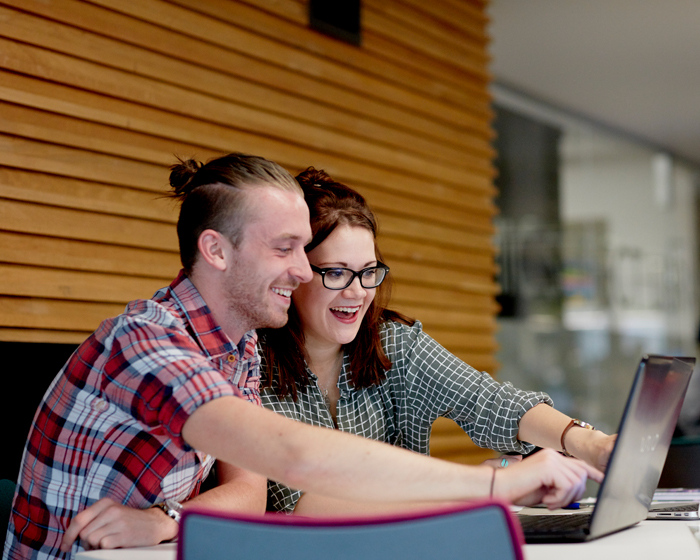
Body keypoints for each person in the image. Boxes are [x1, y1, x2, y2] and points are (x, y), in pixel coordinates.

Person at [4, 153, 601, 560]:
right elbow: (296, 462)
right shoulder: (148, 340)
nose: (302, 270)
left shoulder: (235, 347)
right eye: (287, 249)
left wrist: (166, 520)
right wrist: (494, 487)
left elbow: (252, 490)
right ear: (215, 249)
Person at [259, 167, 616, 515]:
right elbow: (303, 506)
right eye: (337, 272)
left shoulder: (393, 344)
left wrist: (589, 444)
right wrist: (488, 487)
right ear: (297, 272)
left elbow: (490, 402)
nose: (357, 292)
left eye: (369, 272)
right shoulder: (250, 363)